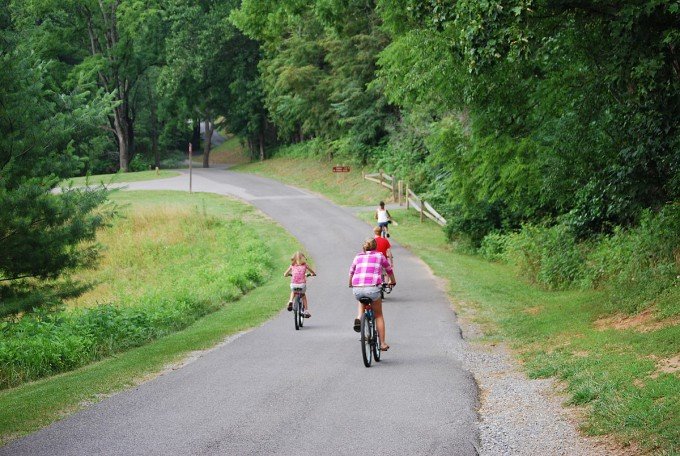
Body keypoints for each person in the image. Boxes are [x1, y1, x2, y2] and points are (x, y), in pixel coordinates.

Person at [348, 238, 396, 351]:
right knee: (378, 315)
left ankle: (359, 317)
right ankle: (383, 343)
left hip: (357, 289)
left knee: (361, 299)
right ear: (375, 247)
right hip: (372, 288)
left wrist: (350, 283)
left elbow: (351, 271)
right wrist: (392, 281)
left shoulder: (358, 256)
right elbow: (389, 270)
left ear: (364, 247)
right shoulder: (380, 256)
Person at [284, 252, 316, 318]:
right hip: (302, 285)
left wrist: (288, 275)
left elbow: (285, 274)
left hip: (293, 285)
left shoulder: (292, 266)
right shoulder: (305, 265)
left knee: (293, 291)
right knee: (303, 296)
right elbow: (312, 272)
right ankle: (306, 311)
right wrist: (312, 274)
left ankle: (290, 301)